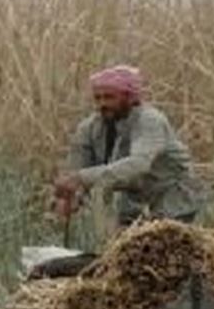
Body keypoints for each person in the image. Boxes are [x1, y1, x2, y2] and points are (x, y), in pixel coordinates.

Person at [28, 64, 204, 280]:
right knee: (125, 262)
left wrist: (81, 179)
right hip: (133, 201)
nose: (102, 104)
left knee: (161, 261)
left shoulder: (150, 121)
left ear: (130, 97)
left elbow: (138, 165)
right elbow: (77, 169)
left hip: (172, 198)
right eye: (98, 98)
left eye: (109, 97)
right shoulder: (90, 128)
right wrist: (70, 197)